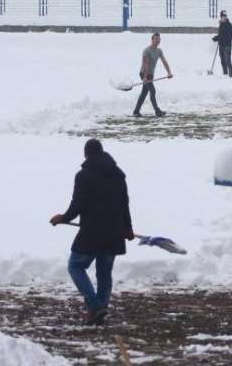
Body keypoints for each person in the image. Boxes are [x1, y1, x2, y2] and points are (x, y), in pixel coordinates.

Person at [51, 138, 134, 326]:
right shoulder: (118, 175)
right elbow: (124, 205)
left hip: (92, 232)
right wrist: (127, 227)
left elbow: (77, 204)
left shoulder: (84, 175)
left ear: (86, 154)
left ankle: (95, 306)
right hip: (114, 232)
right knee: (104, 273)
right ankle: (101, 308)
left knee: (75, 266)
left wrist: (63, 218)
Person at [133, 33, 173, 118]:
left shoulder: (159, 51)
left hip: (151, 75)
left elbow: (164, 61)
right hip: (144, 73)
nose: (158, 41)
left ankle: (136, 111)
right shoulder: (147, 50)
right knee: (152, 91)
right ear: (152, 40)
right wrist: (144, 77)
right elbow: (145, 64)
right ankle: (157, 111)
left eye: (159, 39)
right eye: (156, 39)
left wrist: (169, 72)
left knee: (144, 93)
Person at [212, 10, 232, 77]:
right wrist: (218, 38)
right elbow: (221, 34)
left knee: (228, 61)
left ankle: (231, 76)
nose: (223, 18)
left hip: (227, 46)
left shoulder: (229, 25)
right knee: (223, 61)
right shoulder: (221, 24)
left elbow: (225, 35)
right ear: (221, 17)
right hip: (221, 45)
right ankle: (225, 74)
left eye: (225, 16)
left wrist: (217, 38)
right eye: (222, 16)